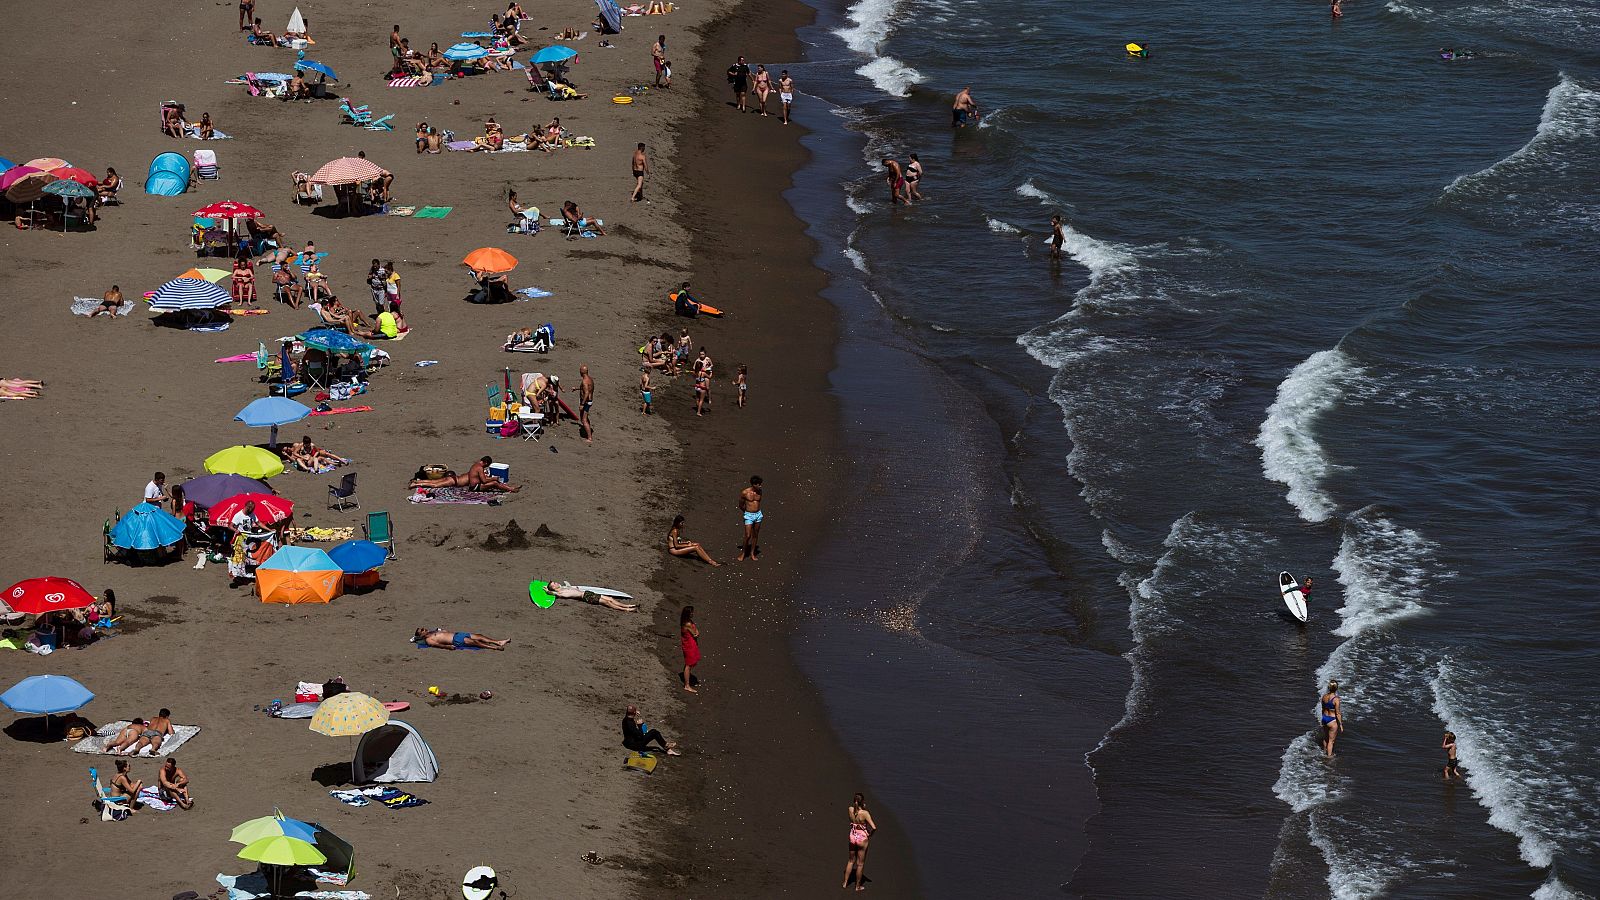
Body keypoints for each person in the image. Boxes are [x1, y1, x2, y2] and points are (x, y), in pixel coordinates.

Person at [410, 456, 521, 492]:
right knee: (495, 483)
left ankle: (417, 482)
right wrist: (494, 478)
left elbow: (477, 477)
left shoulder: (475, 466)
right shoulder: (480, 468)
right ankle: (511, 489)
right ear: (486, 463)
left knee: (434, 482)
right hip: (457, 482)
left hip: (454, 478)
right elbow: (483, 481)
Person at [843, 793, 878, 891]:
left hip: (852, 836)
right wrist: (870, 834)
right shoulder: (865, 813)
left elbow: (854, 817)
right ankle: (857, 886)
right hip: (862, 838)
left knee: (850, 861)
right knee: (860, 864)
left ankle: (845, 882)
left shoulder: (850, 809)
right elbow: (874, 827)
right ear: (862, 802)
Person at [542, 580, 637, 611]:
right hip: (586, 597)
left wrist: (566, 584)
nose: (556, 583)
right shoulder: (560, 592)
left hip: (587, 593)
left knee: (610, 598)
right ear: (553, 587)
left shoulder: (563, 588)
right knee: (607, 602)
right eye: (554, 583)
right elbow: (551, 593)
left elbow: (569, 586)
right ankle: (625, 609)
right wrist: (547, 590)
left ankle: (627, 606)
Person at [413, 627, 510, 650]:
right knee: (475, 642)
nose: (424, 628)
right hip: (455, 640)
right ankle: (494, 648)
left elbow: (444, 632)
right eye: (422, 630)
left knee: (479, 636)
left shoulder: (433, 631)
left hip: (458, 634)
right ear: (421, 635)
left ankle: (498, 642)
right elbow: (438, 645)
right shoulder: (429, 640)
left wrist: (443, 631)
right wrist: (448, 647)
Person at [738, 475, 763, 561]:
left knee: (755, 535)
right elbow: (741, 505)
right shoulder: (745, 493)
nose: (760, 486)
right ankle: (743, 553)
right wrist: (746, 512)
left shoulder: (760, 491)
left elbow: (758, 503)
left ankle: (752, 553)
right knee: (747, 535)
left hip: (758, 514)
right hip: (749, 515)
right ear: (753, 484)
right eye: (759, 484)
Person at [679, 605, 701, 691]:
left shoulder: (686, 621)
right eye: (691, 612)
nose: (693, 613)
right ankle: (687, 685)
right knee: (689, 664)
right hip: (689, 645)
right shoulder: (688, 623)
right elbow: (695, 634)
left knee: (688, 664)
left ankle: (687, 681)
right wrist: (696, 633)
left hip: (689, 644)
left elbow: (696, 632)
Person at [1320, 680, 1343, 758]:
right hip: (1332, 720)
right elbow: (1337, 713)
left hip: (1324, 718)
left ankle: (1324, 751)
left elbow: (1323, 709)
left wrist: (1322, 719)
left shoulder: (1324, 697)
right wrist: (1340, 725)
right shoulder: (1336, 699)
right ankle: (1329, 757)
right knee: (1331, 741)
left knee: (1325, 737)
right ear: (1336, 688)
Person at [579, 364, 595, 442]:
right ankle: (588, 430)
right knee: (584, 418)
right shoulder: (590, 379)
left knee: (584, 420)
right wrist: (577, 388)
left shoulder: (584, 381)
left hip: (586, 402)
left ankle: (589, 438)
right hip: (589, 401)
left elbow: (586, 393)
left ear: (582, 372)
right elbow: (586, 388)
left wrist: (582, 404)